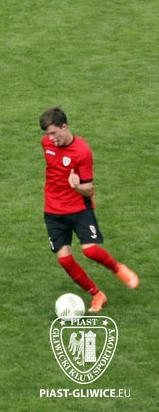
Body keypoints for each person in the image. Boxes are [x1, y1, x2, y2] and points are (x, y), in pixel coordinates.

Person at [39, 107, 138, 312]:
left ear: (64, 127)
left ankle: (118, 268)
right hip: (53, 210)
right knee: (65, 259)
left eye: (53, 133)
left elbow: (89, 188)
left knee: (90, 250)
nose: (51, 138)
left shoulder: (82, 151)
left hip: (78, 208)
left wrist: (76, 186)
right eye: (48, 134)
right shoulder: (46, 143)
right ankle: (97, 294)